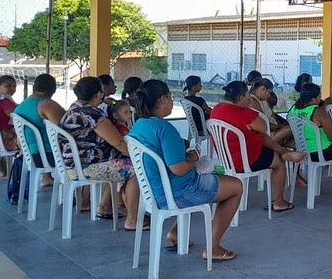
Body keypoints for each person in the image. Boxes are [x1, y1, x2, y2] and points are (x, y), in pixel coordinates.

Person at [129, 80, 242, 260]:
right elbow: (179, 169)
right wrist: (192, 158)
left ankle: (175, 233)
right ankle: (213, 248)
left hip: (153, 193)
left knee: (217, 180)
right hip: (178, 192)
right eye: (170, 97)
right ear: (163, 99)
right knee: (236, 186)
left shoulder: (139, 125)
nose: (172, 101)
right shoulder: (164, 129)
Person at [60, 77, 141, 229]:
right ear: (98, 95)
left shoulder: (73, 108)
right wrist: (140, 156)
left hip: (74, 165)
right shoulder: (92, 114)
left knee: (120, 162)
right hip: (88, 167)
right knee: (136, 169)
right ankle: (133, 220)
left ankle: (105, 207)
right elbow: (118, 143)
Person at [211, 81, 305, 211]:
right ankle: (279, 201)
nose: (249, 97)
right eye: (247, 95)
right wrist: (247, 108)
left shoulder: (216, 109)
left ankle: (284, 150)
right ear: (240, 98)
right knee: (278, 162)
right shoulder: (244, 113)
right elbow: (264, 127)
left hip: (228, 159)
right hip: (247, 160)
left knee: (259, 136)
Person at [288, 83, 332, 196]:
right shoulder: (318, 112)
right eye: (318, 96)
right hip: (320, 151)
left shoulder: (293, 109)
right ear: (312, 99)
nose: (320, 99)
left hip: (302, 151)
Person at [13, 74, 65, 178]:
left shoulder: (21, 106)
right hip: (46, 156)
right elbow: (65, 128)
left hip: (27, 155)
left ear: (34, 88)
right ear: (54, 90)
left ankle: (47, 177)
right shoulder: (47, 105)